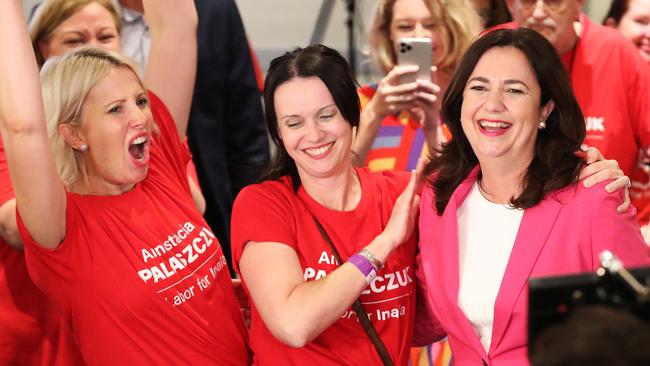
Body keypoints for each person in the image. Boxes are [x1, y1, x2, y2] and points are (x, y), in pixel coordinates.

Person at [0, 0, 249, 364]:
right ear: (73, 134)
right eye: (115, 109)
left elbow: (177, 23)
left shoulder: (159, 166)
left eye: (141, 101)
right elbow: (23, 127)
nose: (140, 118)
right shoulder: (64, 229)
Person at [415, 28, 650, 365]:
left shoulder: (593, 196)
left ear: (545, 109)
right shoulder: (440, 196)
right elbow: (427, 319)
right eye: (479, 87)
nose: (493, 104)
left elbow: (637, 332)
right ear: (460, 101)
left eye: (514, 90)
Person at [231, 44, 425, 365]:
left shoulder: (400, 194)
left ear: (351, 115)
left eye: (326, 115)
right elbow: (294, 325)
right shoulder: (262, 205)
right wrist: (384, 243)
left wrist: (432, 126)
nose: (314, 134)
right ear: (278, 133)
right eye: (294, 123)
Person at [115, 0, 270, 271]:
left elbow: (246, 131)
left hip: (205, 201)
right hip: (114, 220)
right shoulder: (78, 14)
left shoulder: (214, 10)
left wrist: (255, 228)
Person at [504, 0, 650, 232]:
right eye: (529, 1)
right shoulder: (490, 50)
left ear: (579, 4)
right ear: (511, 4)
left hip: (602, 229)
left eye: (553, 2)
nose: (539, 12)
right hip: (508, 223)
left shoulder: (616, 52)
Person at [355, 0, 482, 171]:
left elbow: (466, 184)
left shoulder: (475, 106)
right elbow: (337, 181)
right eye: (405, 27)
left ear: (454, 28)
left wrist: (432, 128)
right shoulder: (362, 101)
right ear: (388, 33)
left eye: (431, 25)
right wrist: (374, 113)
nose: (419, 36)